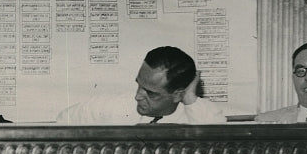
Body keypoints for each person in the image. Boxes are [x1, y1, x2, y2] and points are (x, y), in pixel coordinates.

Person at [56, 45, 225, 125]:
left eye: (151, 93)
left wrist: (189, 99)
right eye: (139, 85)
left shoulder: (200, 115)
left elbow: (217, 146)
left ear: (178, 94)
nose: (137, 96)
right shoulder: (109, 106)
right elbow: (63, 122)